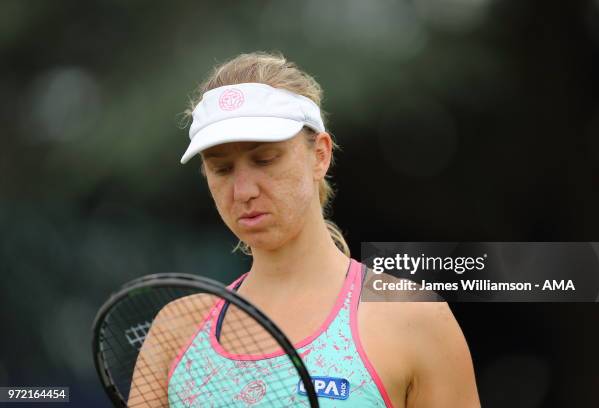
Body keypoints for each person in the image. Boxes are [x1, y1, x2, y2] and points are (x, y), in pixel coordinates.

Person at [128, 51, 480, 407]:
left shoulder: (411, 316)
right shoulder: (177, 329)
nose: (244, 191)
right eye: (221, 169)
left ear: (320, 155)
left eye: (265, 159)